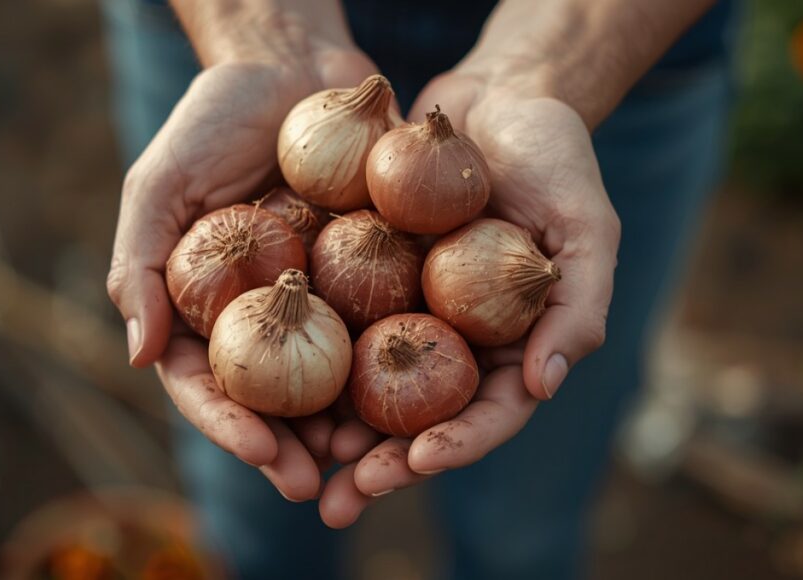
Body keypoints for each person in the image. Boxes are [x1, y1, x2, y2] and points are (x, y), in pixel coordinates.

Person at [102, 0, 736, 578]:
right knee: (250, 520)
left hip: (618, 41)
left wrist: (545, 63)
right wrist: (263, 31)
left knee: (523, 526)